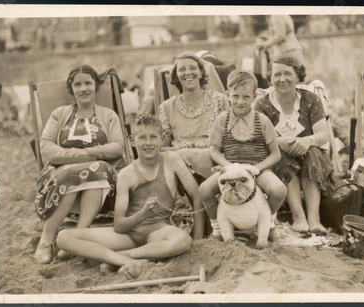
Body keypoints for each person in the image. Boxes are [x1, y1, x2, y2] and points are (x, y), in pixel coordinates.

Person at [56, 114, 204, 278]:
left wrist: (197, 240)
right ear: (133, 141)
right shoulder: (126, 174)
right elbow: (119, 225)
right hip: (127, 235)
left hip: (158, 230)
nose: (148, 143)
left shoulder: (172, 160)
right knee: (64, 237)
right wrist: (143, 214)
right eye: (142, 138)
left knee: (183, 240)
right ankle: (126, 260)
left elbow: (196, 196)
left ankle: (127, 257)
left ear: (162, 139)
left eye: (153, 137)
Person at [34, 65, 125, 264]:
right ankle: (47, 239)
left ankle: (78, 236)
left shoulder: (109, 115)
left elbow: (118, 146)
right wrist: (69, 156)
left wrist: (86, 153)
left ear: (96, 86)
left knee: (97, 170)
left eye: (88, 83)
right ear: (71, 88)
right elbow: (46, 144)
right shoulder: (59, 114)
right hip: (61, 170)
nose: (83, 88)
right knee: (71, 174)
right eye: (78, 84)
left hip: (101, 171)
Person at [199, 70, 287, 237]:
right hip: (230, 168)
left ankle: (268, 221)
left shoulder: (262, 120)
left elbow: (276, 154)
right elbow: (215, 152)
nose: (240, 101)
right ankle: (217, 226)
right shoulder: (222, 119)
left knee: (279, 190)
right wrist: (228, 167)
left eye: (246, 97)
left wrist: (255, 168)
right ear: (228, 95)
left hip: (257, 169)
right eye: (235, 96)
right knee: (204, 190)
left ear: (254, 97)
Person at [255, 55, 333, 234]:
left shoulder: (310, 99)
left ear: (298, 76)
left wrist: (308, 141)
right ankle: (299, 217)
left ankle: (314, 219)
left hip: (312, 158)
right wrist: (278, 141)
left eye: (288, 74)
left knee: (312, 154)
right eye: (277, 74)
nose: (282, 79)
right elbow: (257, 139)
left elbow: (323, 134)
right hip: (279, 160)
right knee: (282, 157)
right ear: (270, 78)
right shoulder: (262, 105)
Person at [157, 53, 229, 152]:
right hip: (179, 162)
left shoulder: (219, 100)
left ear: (201, 73)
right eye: (182, 69)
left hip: (213, 160)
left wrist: (212, 143)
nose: (188, 72)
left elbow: (231, 140)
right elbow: (161, 148)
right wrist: (175, 148)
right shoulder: (166, 107)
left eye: (193, 68)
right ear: (176, 76)